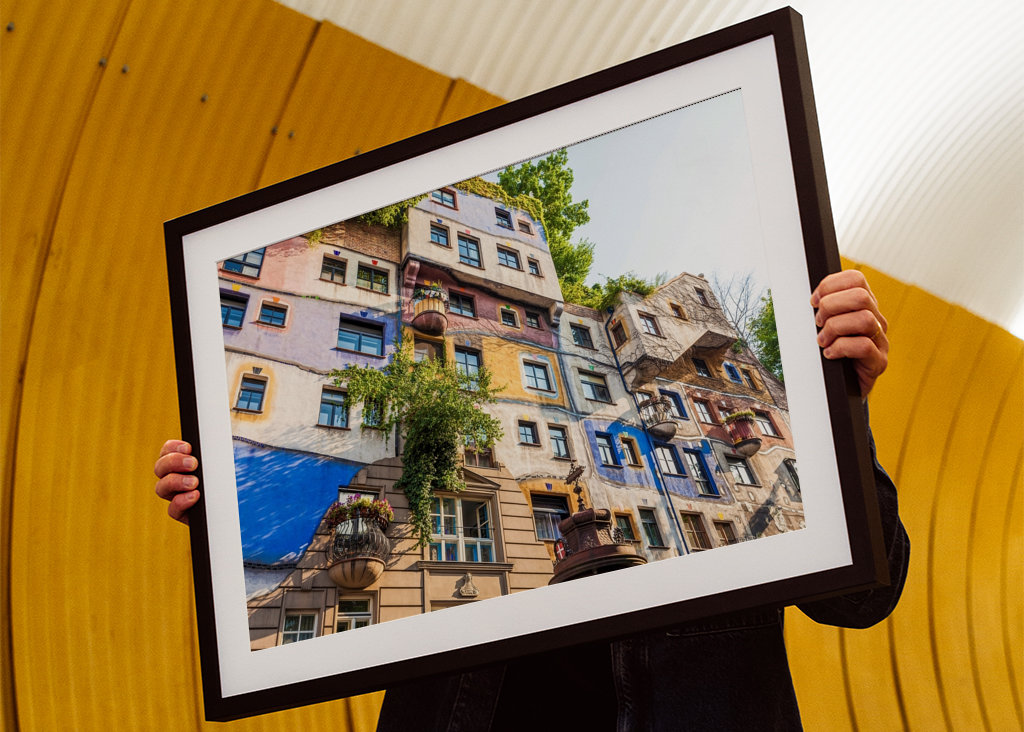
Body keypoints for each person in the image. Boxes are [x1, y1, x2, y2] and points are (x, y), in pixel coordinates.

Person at [155, 270, 908, 731]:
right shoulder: (414, 494)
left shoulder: (731, 456)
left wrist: (839, 411)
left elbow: (865, 596)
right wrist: (227, 515)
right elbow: (331, 607)